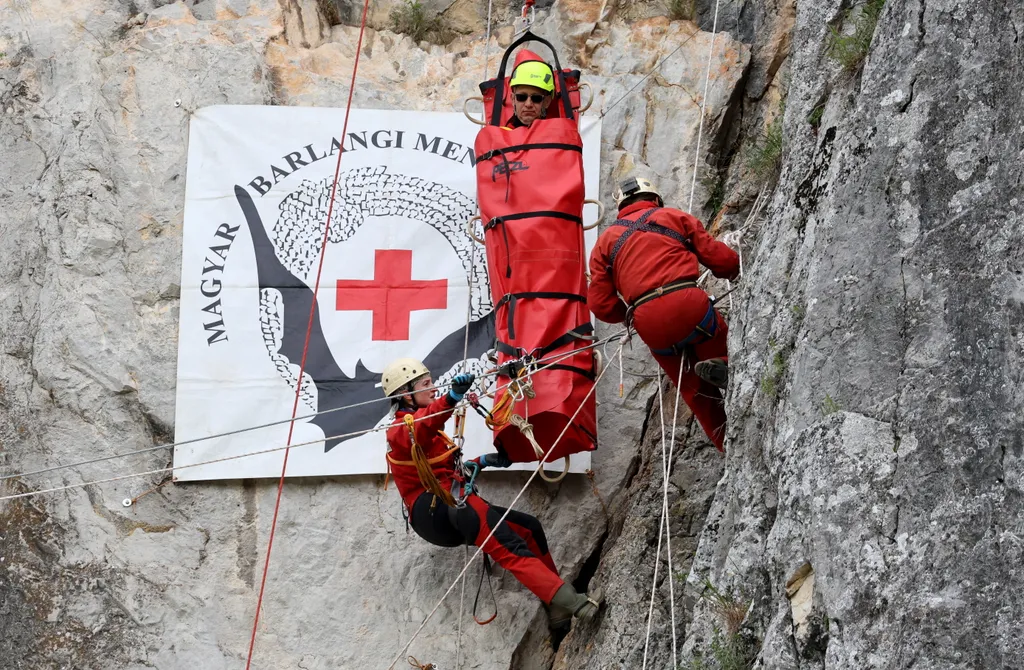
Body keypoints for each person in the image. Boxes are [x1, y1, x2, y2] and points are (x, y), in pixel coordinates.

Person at [381, 358, 599, 631]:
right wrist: (452, 397)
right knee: (510, 547)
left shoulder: (422, 430)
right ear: (405, 394)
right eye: (426, 384)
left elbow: (442, 466)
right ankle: (575, 603)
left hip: (448, 505)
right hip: (436, 510)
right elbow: (422, 428)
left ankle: (556, 607)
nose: (434, 388)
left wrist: (482, 461)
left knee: (528, 529)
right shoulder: (399, 430)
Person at [587, 177, 740, 451]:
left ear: (620, 206)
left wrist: (633, 313)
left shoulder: (603, 244)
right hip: (688, 304)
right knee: (723, 346)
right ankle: (723, 362)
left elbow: (600, 305)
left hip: (650, 324)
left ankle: (728, 446)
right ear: (655, 199)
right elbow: (721, 260)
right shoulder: (673, 217)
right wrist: (733, 269)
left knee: (696, 393)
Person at [507, 59, 555, 128]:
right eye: (521, 97)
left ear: (547, 102)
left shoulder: (557, 134)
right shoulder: (501, 135)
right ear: (513, 99)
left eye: (536, 98)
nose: (528, 104)